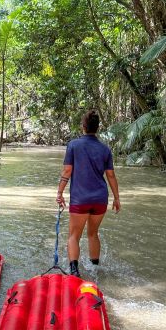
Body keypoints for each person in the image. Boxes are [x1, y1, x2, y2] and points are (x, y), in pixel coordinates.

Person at [56, 110, 120, 277]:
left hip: (80, 199)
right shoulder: (105, 149)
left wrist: (59, 193)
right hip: (100, 199)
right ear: (97, 128)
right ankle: (96, 269)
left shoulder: (74, 145)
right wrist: (117, 198)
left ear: (83, 126)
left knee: (73, 235)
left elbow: (67, 171)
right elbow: (111, 175)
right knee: (93, 233)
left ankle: (74, 273)